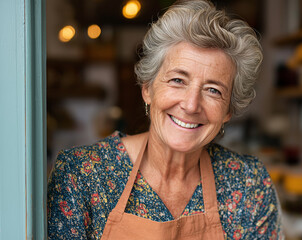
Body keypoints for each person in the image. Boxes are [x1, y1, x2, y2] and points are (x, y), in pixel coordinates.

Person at [47, 0, 283, 239]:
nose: (191, 105)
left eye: (213, 90)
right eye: (178, 80)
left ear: (228, 111)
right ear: (147, 89)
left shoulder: (249, 184)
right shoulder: (82, 175)